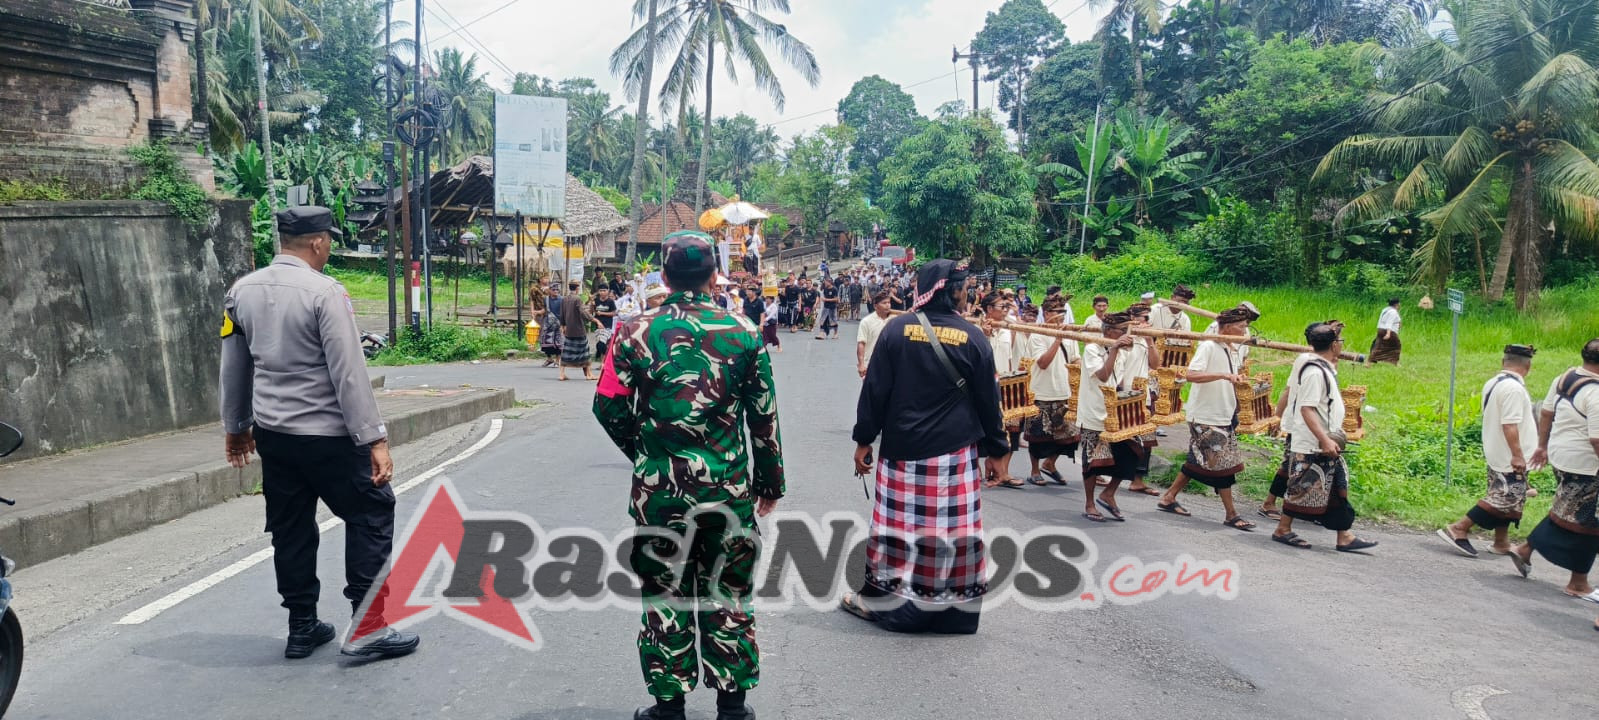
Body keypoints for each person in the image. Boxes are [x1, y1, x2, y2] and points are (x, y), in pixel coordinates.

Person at [593, 231, 784, 720]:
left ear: (664, 274)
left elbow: (607, 404)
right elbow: (763, 417)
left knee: (664, 593)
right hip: (727, 492)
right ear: (714, 276)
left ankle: (668, 706)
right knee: (728, 592)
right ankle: (734, 706)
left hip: (660, 492)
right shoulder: (744, 331)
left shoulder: (633, 331)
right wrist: (769, 483)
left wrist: (645, 451)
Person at [219, 206, 419, 660]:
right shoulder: (326, 293)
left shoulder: (241, 292)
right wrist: (375, 440)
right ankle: (368, 627)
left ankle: (302, 627)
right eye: (328, 240)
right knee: (371, 514)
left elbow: (234, 366)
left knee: (290, 528)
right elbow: (349, 373)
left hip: (275, 437)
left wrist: (236, 428)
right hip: (328, 436)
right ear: (318, 242)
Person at [842, 260, 1007, 633]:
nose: (967, 295)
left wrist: (863, 440)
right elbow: (988, 400)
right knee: (951, 534)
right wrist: (997, 451)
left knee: (900, 531)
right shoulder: (973, 337)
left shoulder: (896, 330)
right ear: (954, 291)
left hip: (903, 451)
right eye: (965, 289)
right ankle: (950, 614)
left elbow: (875, 392)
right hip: (955, 455)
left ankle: (888, 599)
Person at [1271, 323, 1379, 552]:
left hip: (1324, 440)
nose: (1342, 345)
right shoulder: (1314, 372)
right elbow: (1307, 409)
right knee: (1300, 486)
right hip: (1313, 442)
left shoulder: (1317, 364)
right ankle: (1283, 528)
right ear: (1333, 345)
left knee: (1338, 484)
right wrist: (1325, 439)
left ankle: (1345, 536)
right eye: (1339, 341)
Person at [1508, 339, 1599, 603]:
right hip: (1586, 463)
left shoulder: (1565, 377)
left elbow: (1546, 412)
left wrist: (1542, 446)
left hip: (1561, 455)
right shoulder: (1596, 393)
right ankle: (1577, 583)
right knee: (1588, 523)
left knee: (1568, 512)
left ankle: (1525, 550)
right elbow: (1596, 439)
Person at [1156, 307, 1259, 531]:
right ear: (1226, 327)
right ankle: (1231, 514)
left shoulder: (1231, 349)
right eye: (1241, 327)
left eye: (1246, 327)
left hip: (1222, 413)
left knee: (1199, 459)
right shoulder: (1209, 346)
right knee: (1222, 465)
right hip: (1205, 415)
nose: (1245, 331)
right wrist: (1223, 375)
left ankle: (1169, 497)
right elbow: (1190, 375)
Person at [1438, 345, 1540, 557]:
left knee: (1504, 497)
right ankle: (1460, 527)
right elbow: (1510, 424)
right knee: (1507, 497)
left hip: (1498, 450)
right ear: (1528, 366)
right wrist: (1518, 455)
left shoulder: (1494, 382)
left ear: (1504, 362)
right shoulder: (1514, 389)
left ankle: (1501, 541)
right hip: (1509, 454)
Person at [1077, 313, 1145, 522]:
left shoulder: (1122, 352)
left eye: (1127, 330)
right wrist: (1114, 349)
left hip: (1115, 412)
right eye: (1121, 331)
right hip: (1093, 412)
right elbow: (1103, 375)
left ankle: (1108, 494)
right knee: (1093, 461)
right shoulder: (1092, 349)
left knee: (1133, 451)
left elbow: (1120, 381)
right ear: (1108, 331)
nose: (1126, 335)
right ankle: (1089, 503)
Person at [1024, 295, 1080, 489]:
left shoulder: (1069, 334)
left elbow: (1074, 359)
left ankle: (1050, 463)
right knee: (1038, 435)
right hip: (1042, 391)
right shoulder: (1037, 334)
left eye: (1063, 312)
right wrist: (1057, 339)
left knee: (1070, 436)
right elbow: (1043, 362)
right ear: (1047, 314)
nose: (1062, 316)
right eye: (1057, 312)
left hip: (1064, 391)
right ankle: (1035, 470)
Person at [1122, 303, 1163, 493]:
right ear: (1132, 318)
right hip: (1123, 392)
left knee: (1145, 439)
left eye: (1147, 318)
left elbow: (1155, 364)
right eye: (1142, 318)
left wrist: (1149, 341)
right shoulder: (1123, 337)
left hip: (1143, 394)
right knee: (1115, 437)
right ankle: (1099, 473)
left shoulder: (1147, 340)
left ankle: (1137, 480)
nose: (1145, 322)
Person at [559, 281, 595, 381]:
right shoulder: (577, 299)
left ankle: (561, 374)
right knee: (585, 352)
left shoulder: (564, 299)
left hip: (569, 330)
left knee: (566, 352)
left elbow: (561, 314)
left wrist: (562, 325)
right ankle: (588, 374)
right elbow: (583, 312)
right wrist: (593, 319)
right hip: (579, 330)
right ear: (577, 288)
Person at [857, 291, 893, 378]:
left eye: (889, 303)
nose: (888, 305)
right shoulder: (867, 322)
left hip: (891, 364)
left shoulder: (894, 320)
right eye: (884, 303)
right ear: (875, 306)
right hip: (871, 363)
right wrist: (861, 364)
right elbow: (861, 343)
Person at [1369, 297, 1403, 365]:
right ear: (1397, 304)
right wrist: (1388, 333)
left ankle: (1369, 362)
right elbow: (1389, 322)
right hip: (1389, 331)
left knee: (1378, 345)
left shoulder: (1385, 310)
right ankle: (1395, 362)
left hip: (1380, 329)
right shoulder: (1393, 312)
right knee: (1396, 345)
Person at [539, 281, 563, 367]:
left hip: (559, 323)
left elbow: (565, 312)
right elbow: (545, 310)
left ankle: (558, 360)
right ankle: (549, 358)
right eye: (554, 290)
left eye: (557, 290)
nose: (556, 291)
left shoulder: (562, 299)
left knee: (558, 342)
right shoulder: (546, 299)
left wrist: (564, 324)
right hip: (548, 323)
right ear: (550, 290)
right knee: (545, 340)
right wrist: (537, 312)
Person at [593, 287, 619, 365]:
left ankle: (603, 363)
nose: (602, 292)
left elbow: (614, 313)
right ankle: (603, 361)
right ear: (598, 291)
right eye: (601, 290)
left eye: (604, 290)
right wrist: (592, 305)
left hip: (607, 326)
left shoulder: (610, 301)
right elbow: (592, 312)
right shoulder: (596, 300)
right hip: (598, 326)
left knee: (601, 343)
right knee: (601, 344)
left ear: (607, 291)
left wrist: (602, 313)